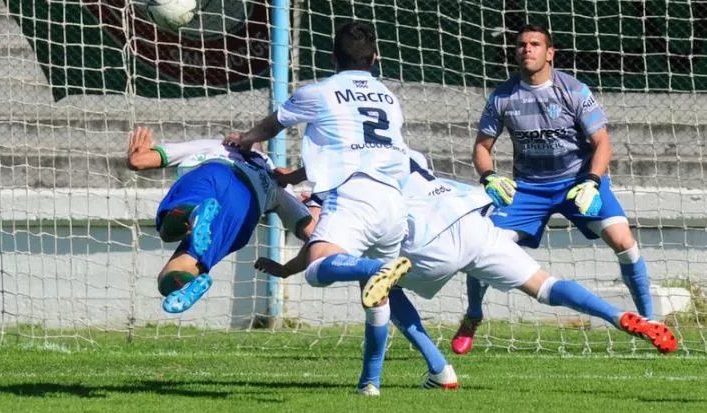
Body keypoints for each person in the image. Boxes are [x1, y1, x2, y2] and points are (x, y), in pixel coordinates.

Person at [258, 159, 677, 393]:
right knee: (545, 286)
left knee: (382, 282)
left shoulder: (342, 170)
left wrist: (288, 261)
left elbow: (318, 237)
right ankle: (618, 315)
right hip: (470, 216)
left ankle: (437, 371)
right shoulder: (402, 151)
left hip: (427, 239)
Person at [226, 21, 414, 394]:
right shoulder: (389, 98)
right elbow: (353, 143)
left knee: (316, 267)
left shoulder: (320, 92)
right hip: (394, 201)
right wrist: (294, 176)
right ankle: (370, 383)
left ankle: (377, 268)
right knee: (377, 297)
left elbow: (273, 124)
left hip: (353, 195)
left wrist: (245, 139)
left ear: (333, 58)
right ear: (374, 58)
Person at [451, 24, 654, 355]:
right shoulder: (503, 96)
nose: (526, 49)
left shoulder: (573, 91)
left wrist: (592, 180)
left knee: (624, 242)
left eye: (534, 44)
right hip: (528, 190)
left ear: (550, 53)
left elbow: (603, 143)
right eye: (521, 45)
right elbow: (481, 147)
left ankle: (649, 321)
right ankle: (474, 315)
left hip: (577, 182)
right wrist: (489, 176)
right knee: (481, 247)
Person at [126, 126, 312, 313]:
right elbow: (314, 234)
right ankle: (188, 283)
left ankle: (194, 213)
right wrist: (286, 269)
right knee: (171, 275)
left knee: (169, 228)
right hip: (244, 211)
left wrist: (138, 153)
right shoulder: (277, 180)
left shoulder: (217, 147)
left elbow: (138, 161)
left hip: (215, 174)